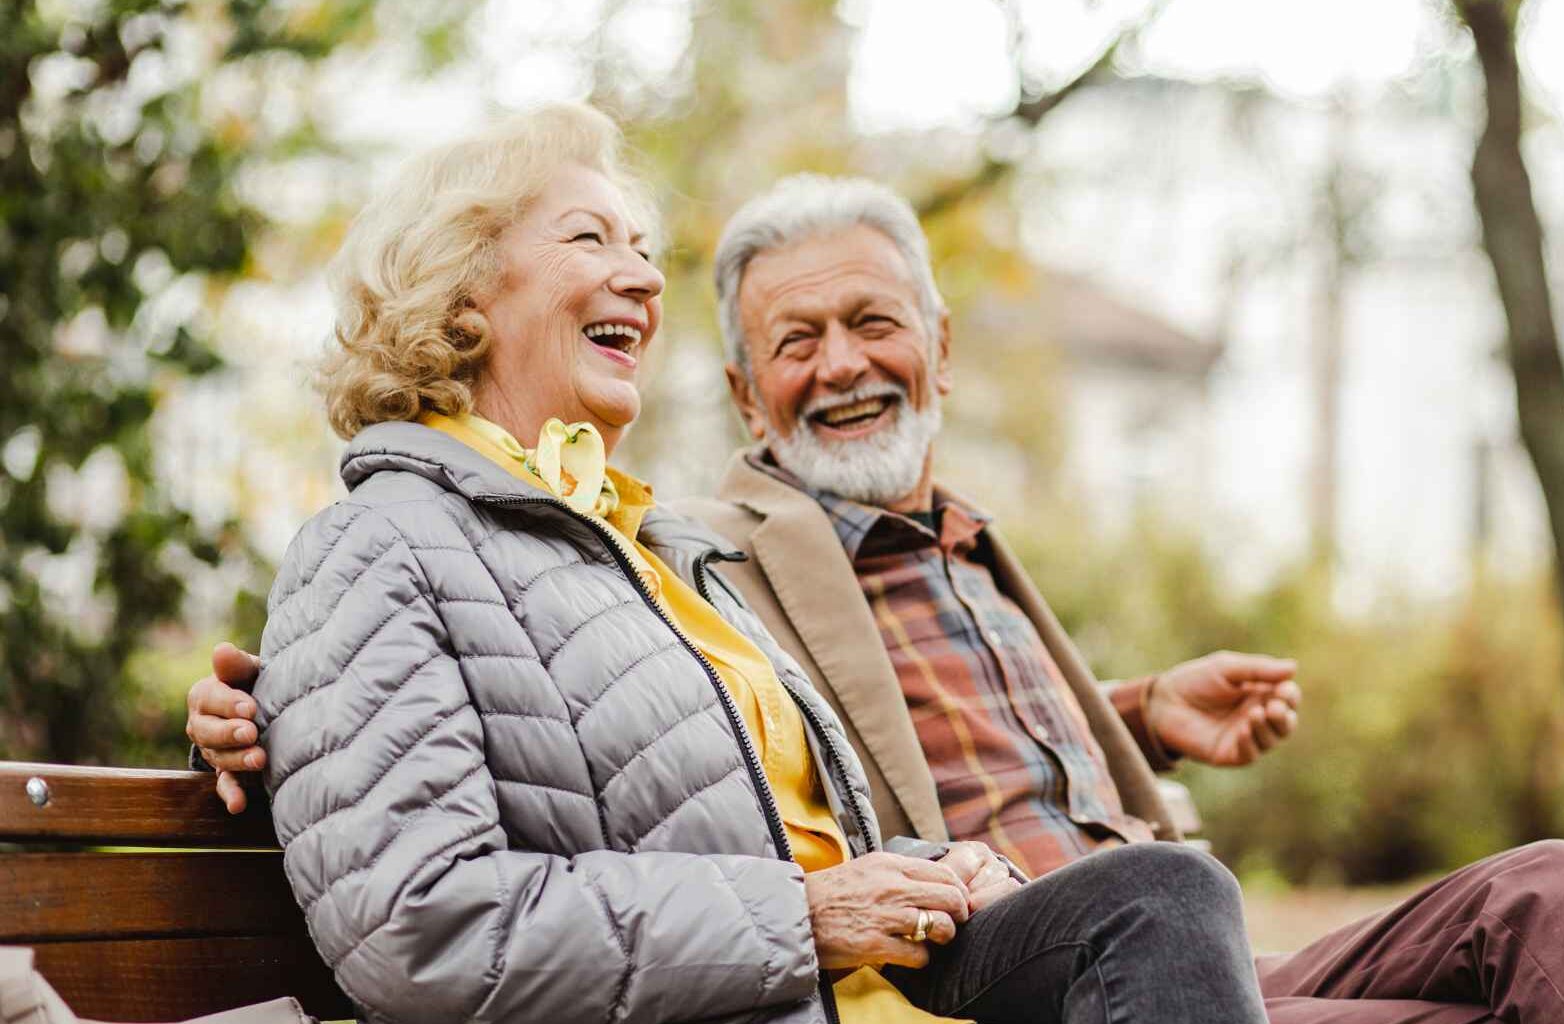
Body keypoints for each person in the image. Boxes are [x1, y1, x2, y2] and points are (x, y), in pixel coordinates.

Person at [193, 165, 1564, 1022]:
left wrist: (1138, 718)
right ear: (740, 389)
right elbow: (411, 737)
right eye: (797, 343)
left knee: (1551, 892)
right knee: (1175, 908)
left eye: (875, 324)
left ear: (943, 342)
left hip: (1159, 940)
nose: (843, 365)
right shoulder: (716, 538)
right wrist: (243, 706)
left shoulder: (906, 542)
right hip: (1006, 959)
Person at [233, 103, 1267, 1024]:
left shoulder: (641, 548)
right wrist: (807, 918)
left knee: (1165, 891)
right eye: (590, 238)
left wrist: (922, 875)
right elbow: (421, 929)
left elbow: (754, 847)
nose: (641, 274)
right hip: (796, 991)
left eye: (641, 246)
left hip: (868, 995)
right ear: (462, 297)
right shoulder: (377, 543)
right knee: (1165, 899)